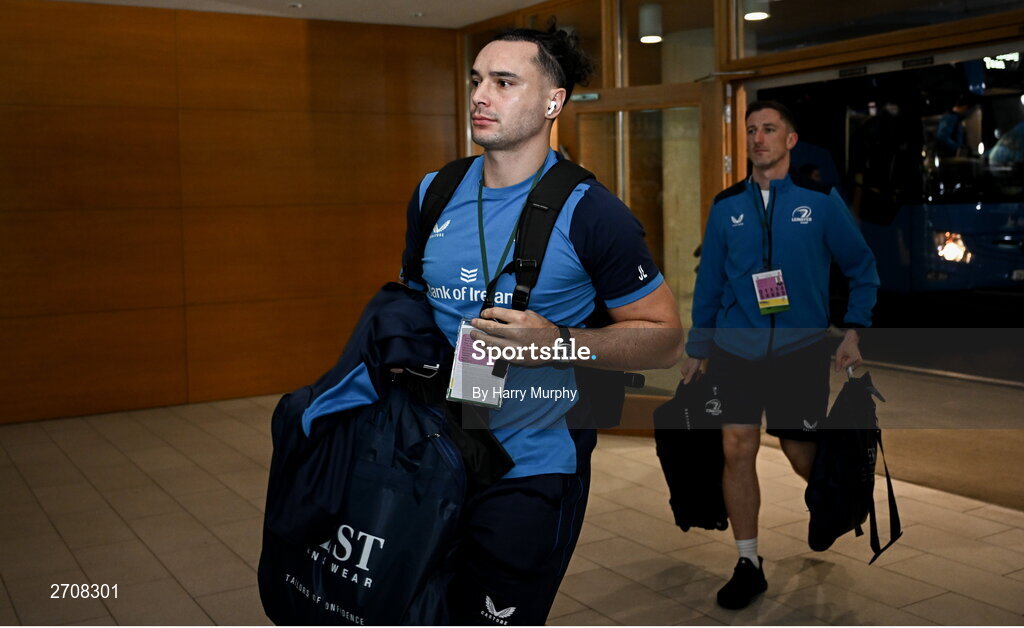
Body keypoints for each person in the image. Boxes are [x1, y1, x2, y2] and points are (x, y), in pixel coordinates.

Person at [400, 25, 684, 625]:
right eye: (477, 80)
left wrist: (559, 343)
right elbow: (412, 304)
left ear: (553, 102)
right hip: (430, 453)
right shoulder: (435, 191)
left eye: (505, 82)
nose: (481, 95)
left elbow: (664, 338)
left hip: (530, 468)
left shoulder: (594, 214)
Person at [680, 101, 879, 610]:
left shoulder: (819, 200)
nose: (758, 138)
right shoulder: (727, 206)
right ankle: (748, 561)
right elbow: (710, 282)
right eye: (751, 130)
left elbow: (861, 265)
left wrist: (854, 330)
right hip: (734, 350)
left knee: (798, 451)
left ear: (790, 140)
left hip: (800, 351)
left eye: (769, 129)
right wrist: (698, 347)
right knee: (736, 447)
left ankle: (836, 499)